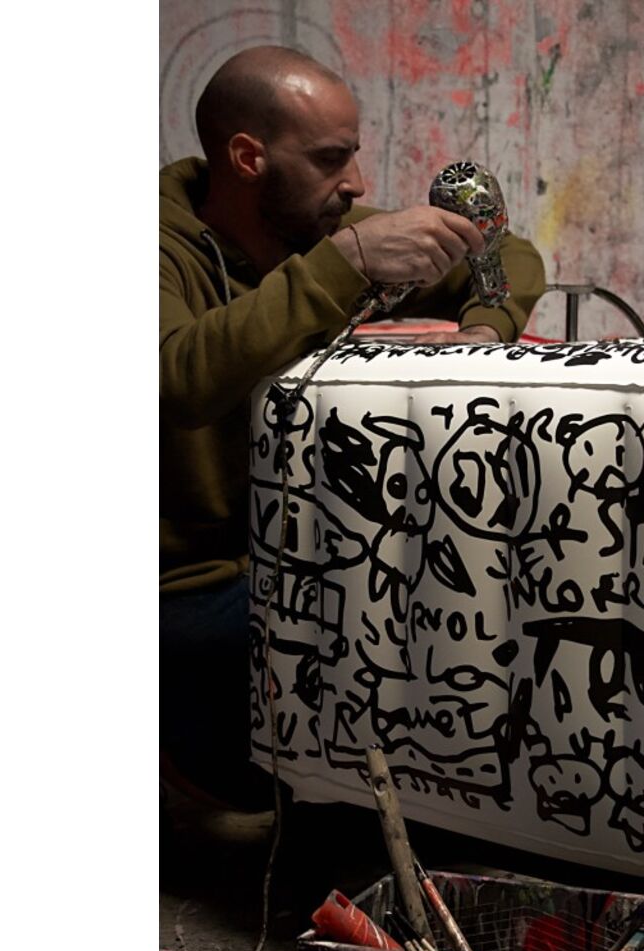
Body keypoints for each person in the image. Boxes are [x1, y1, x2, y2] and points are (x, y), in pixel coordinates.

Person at [160, 45, 546, 806]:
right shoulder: (152, 246)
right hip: (185, 585)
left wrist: (482, 330)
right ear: (249, 158)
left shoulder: (312, 233)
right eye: (331, 158)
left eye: (355, 155)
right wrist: (346, 263)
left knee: (486, 616)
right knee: (389, 652)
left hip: (300, 556)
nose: (359, 184)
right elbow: (176, 379)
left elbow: (508, 255)